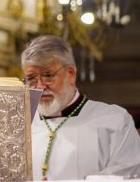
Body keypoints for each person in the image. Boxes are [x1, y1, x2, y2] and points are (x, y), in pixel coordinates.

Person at [21, 35, 140, 181]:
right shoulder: (20, 126)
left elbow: (126, 176)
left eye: (48, 75)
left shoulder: (115, 120)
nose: (39, 86)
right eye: (31, 78)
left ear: (70, 74)